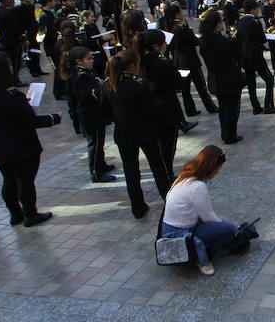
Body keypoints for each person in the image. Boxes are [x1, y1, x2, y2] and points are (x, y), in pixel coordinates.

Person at [0, 51, 61, 226]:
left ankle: (15, 214)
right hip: (20, 147)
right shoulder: (12, 96)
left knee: (9, 180)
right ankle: (30, 214)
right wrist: (53, 118)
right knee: (25, 181)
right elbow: (30, 121)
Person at [102, 48, 173, 219]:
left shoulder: (107, 84)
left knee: (131, 171)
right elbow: (150, 109)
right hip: (145, 131)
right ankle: (170, 201)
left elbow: (105, 113)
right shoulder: (138, 84)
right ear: (133, 65)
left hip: (123, 133)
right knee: (159, 168)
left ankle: (137, 207)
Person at [160, 146, 238, 275]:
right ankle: (202, 258)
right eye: (218, 168)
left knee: (222, 226)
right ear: (212, 167)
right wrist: (231, 226)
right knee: (228, 229)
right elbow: (208, 217)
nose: (218, 172)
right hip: (181, 231)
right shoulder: (197, 186)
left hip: (168, 228)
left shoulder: (184, 177)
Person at [137, 29, 193, 174]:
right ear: (156, 46)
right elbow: (177, 84)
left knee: (159, 144)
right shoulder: (163, 63)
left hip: (149, 108)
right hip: (166, 107)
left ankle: (163, 172)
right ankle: (167, 173)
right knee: (168, 145)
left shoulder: (140, 62)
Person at [64, 46, 116, 183]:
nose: (92, 61)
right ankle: (96, 172)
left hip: (94, 113)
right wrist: (103, 88)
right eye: (88, 59)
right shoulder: (82, 77)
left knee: (100, 141)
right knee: (95, 143)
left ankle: (101, 164)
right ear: (78, 61)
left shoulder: (85, 73)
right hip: (90, 115)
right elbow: (90, 94)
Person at [199, 12, 246, 144]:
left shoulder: (204, 41)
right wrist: (234, 41)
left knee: (222, 107)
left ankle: (224, 132)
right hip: (229, 78)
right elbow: (237, 57)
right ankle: (230, 134)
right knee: (232, 109)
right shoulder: (224, 42)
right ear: (217, 24)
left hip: (215, 78)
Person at [166, 4, 219, 116]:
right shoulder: (182, 27)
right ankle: (211, 107)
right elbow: (194, 41)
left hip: (180, 62)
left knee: (186, 89)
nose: (182, 14)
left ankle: (190, 111)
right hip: (191, 61)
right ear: (177, 14)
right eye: (181, 12)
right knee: (201, 86)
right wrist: (193, 34)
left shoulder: (172, 27)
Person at [236, 0, 275, 115]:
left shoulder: (240, 23)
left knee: (251, 84)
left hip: (246, 58)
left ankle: (256, 107)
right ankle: (268, 106)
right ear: (253, 9)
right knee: (269, 79)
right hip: (256, 57)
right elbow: (262, 39)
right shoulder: (255, 22)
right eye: (257, 8)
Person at [0, 0, 27, 86]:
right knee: (15, 60)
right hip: (13, 39)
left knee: (11, 60)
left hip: (4, 39)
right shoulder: (10, 11)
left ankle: (12, 79)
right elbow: (15, 26)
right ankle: (15, 79)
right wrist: (22, 37)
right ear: (4, 0)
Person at [16, 0, 45, 77]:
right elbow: (20, 23)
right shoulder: (19, 9)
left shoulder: (31, 6)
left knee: (37, 50)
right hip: (27, 33)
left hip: (34, 32)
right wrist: (23, 35)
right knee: (30, 52)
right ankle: (32, 70)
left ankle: (38, 69)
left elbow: (34, 19)